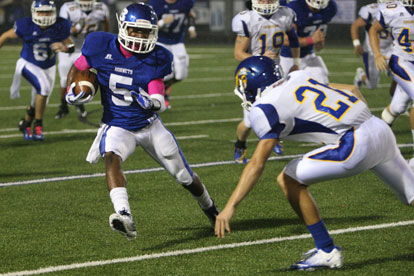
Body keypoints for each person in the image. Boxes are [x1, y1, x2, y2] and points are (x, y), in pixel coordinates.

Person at [215, 56, 414, 270]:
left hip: (355, 143)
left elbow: (257, 164)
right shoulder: (297, 76)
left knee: (288, 178)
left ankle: (326, 250)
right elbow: (352, 90)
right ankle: (325, 250)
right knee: (411, 194)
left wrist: (230, 207)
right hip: (377, 127)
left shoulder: (264, 108)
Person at [64, 2, 219, 239]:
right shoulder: (100, 45)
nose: (139, 36)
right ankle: (124, 215)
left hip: (149, 124)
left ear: (153, 32)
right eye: (135, 30)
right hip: (117, 123)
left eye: (145, 32)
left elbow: (157, 95)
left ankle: (211, 209)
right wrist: (72, 91)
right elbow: (78, 68)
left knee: (185, 177)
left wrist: (153, 103)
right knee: (111, 157)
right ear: (123, 27)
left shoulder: (157, 56)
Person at [231, 0, 300, 164]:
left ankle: (276, 140)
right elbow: (238, 53)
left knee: (280, 113)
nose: (266, 1)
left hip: (275, 73)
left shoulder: (285, 15)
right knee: (249, 122)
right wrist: (260, 59)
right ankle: (240, 143)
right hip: (253, 76)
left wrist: (296, 62)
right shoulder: (248, 19)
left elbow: (294, 39)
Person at [0, 0, 73, 141]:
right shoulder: (26, 25)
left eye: (48, 12)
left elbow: (70, 45)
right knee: (44, 89)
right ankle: (38, 126)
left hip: (48, 67)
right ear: (34, 12)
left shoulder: (59, 25)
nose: (45, 15)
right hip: (28, 63)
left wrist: (64, 48)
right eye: (41, 12)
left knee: (39, 99)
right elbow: (5, 36)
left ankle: (26, 124)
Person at [55, 0, 109, 120]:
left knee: (93, 78)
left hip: (89, 50)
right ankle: (63, 105)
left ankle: (83, 103)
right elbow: (61, 31)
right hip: (70, 49)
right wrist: (77, 28)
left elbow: (106, 29)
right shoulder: (67, 7)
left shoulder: (102, 8)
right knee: (65, 80)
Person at [369, 0, 414, 147]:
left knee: (398, 107)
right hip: (403, 62)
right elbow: (373, 30)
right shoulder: (392, 10)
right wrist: (377, 55)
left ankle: (376, 143)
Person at [147, 0, 197, 109]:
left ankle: (162, 88)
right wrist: (162, 22)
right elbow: (148, 26)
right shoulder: (156, 3)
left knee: (181, 75)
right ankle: (159, 94)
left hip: (178, 42)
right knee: (166, 74)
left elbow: (190, 14)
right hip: (161, 41)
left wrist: (191, 27)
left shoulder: (185, 3)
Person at [280, 0, 337, 84]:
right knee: (280, 88)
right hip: (287, 57)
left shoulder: (330, 7)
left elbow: (319, 42)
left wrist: (319, 41)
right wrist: (311, 40)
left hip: (308, 55)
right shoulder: (295, 7)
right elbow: (287, 40)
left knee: (322, 80)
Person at [351, 0, 394, 91]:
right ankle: (360, 76)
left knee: (401, 73)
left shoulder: (399, 10)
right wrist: (357, 44)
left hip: (391, 48)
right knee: (371, 85)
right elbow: (355, 25)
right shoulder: (371, 10)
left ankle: (397, 101)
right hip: (372, 50)